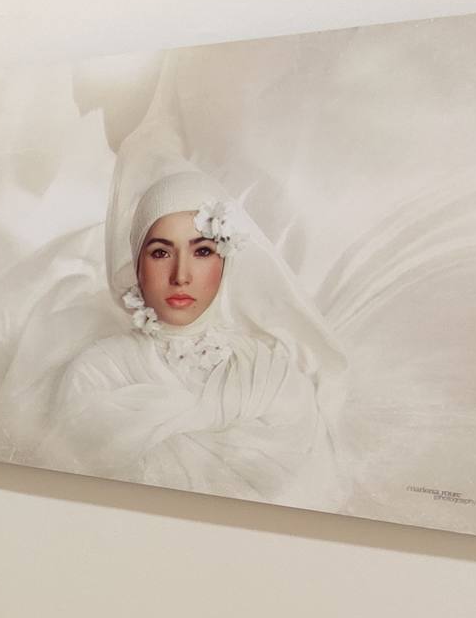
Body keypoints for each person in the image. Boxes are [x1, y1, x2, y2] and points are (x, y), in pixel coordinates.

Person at [44, 167, 347, 503]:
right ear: (136, 263)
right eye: (161, 252)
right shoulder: (98, 371)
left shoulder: (271, 374)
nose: (181, 275)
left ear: (226, 260)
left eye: (202, 251)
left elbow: (310, 496)